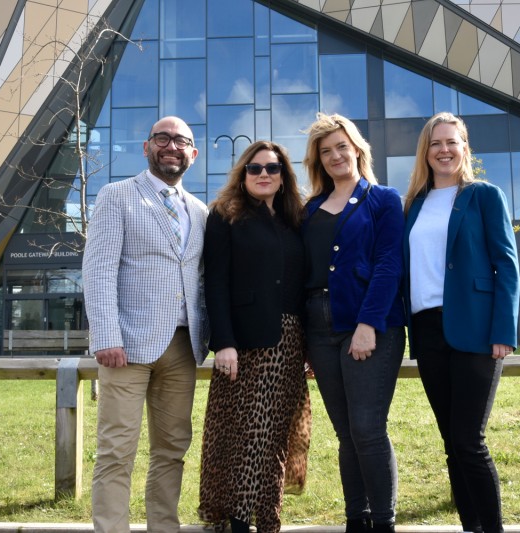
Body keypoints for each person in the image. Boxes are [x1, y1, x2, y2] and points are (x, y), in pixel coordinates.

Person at [82, 116, 209, 533]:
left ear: (192, 153)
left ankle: (163, 528)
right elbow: (98, 270)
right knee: (117, 451)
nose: (171, 146)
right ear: (146, 146)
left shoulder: (201, 211)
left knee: (172, 449)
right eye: (162, 138)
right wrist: (106, 336)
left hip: (183, 347)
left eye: (181, 141)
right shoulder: (117, 195)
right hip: (126, 348)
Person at [402, 112, 520, 533]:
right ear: (426, 151)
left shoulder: (484, 196)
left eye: (453, 142)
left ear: (464, 148)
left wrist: (504, 330)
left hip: (475, 329)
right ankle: (471, 527)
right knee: (452, 444)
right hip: (428, 331)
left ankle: (491, 528)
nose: (444, 150)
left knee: (469, 441)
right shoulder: (413, 204)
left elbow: (506, 265)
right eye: (436, 143)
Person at [198, 140, 311, 533]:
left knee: (276, 434)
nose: (264, 174)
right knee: (246, 435)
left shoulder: (295, 219)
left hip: (291, 342)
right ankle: (239, 520)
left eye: (273, 168)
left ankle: (268, 519)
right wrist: (224, 342)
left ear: (283, 177)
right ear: (243, 174)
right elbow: (215, 283)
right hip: (245, 343)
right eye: (255, 168)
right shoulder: (224, 216)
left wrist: (309, 347)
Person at [301, 113, 406, 533]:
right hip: (318, 329)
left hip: (367, 325)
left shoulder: (384, 200)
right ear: (318, 161)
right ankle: (355, 519)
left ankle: (383, 522)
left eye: (341, 147)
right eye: (325, 152)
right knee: (345, 433)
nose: (335, 156)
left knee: (367, 428)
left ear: (357, 148)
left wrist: (369, 324)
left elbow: (388, 265)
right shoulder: (308, 210)